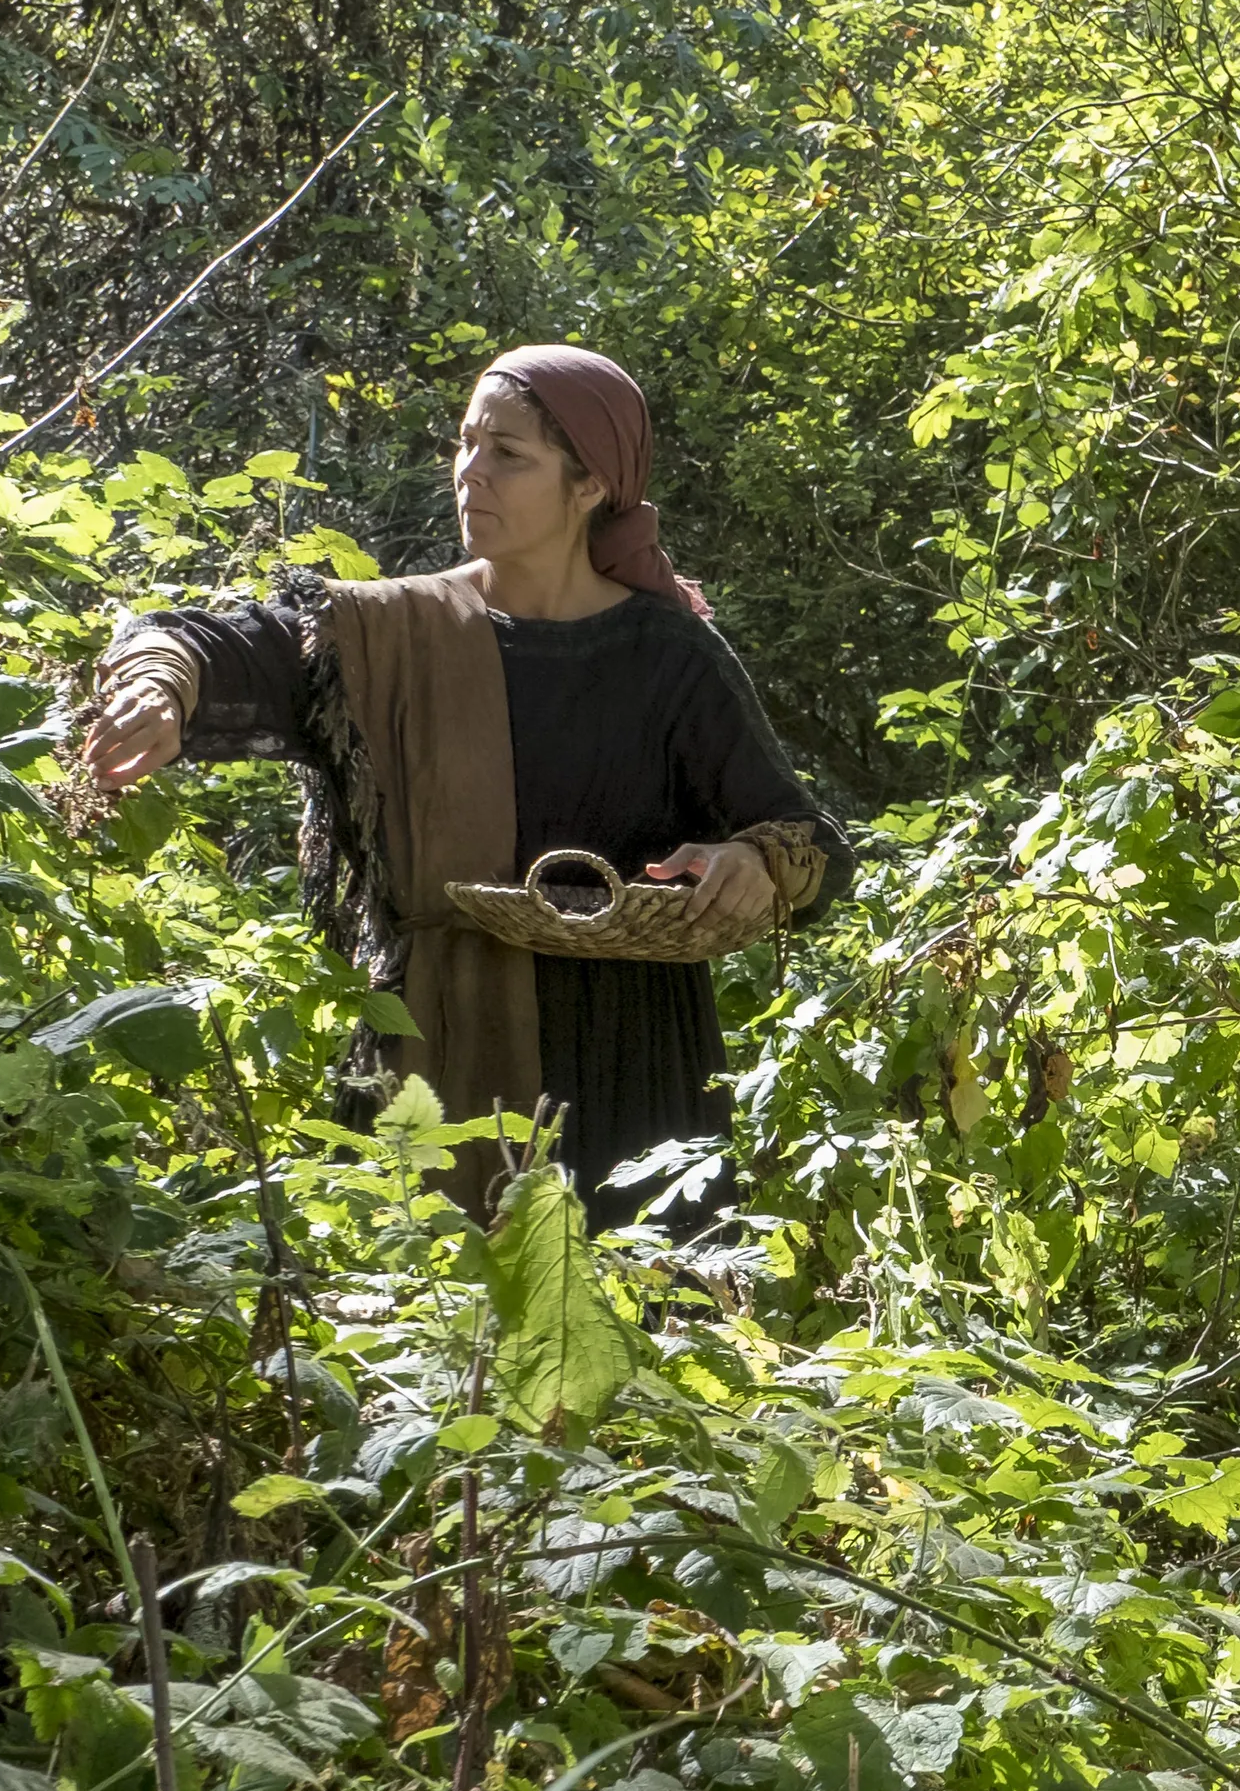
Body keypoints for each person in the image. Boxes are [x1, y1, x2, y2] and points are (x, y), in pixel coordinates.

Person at [84, 344, 852, 1221]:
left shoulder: (667, 655)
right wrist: (157, 686)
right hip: (437, 1044)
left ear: (590, 484)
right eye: (465, 444)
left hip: (634, 1063)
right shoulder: (393, 635)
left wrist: (747, 864)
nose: (470, 473)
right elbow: (221, 644)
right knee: (420, 1321)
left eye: (508, 454)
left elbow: (806, 841)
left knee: (652, 1327)